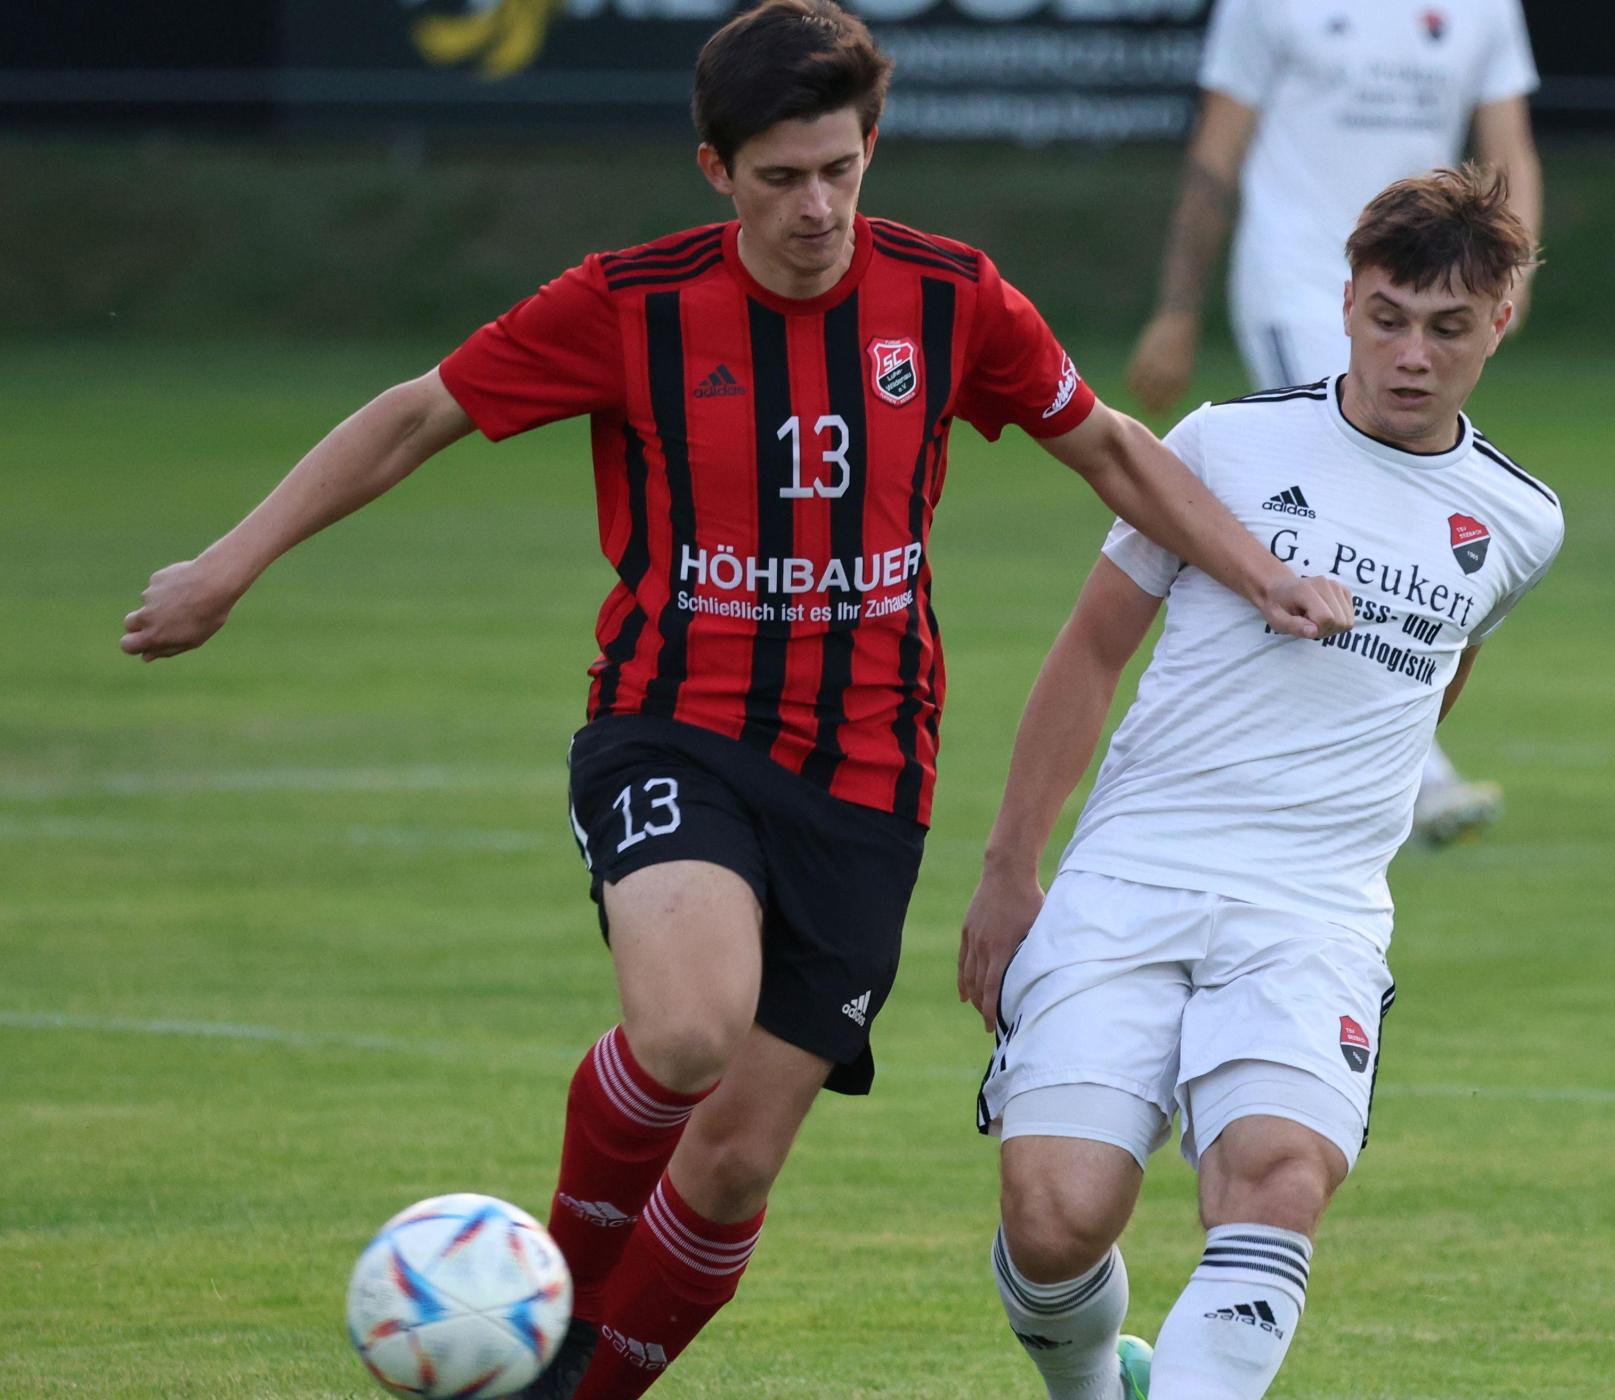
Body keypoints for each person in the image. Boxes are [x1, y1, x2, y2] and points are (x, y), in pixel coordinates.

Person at [118, 3, 1355, 1396]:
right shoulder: (627, 303)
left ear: (870, 146)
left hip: (870, 775)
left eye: (838, 168)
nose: (816, 206)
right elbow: (418, 414)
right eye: (779, 178)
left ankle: (567, 1385)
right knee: (691, 1027)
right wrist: (227, 568)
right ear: (716, 172)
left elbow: (1112, 451)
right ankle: (558, 1291)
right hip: (672, 724)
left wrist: (1259, 575)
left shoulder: (948, 297)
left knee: (732, 1166)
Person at [964, 167, 1562, 1399]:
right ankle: (1090, 1384)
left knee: (1278, 1173)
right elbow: (1089, 648)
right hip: (1136, 870)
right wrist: (1008, 869)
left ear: (1498, 321)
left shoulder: (1518, 521)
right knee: (1054, 1216)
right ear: (1344, 301)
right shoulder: (1222, 445)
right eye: (1387, 316)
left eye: (1447, 327)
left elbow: (1431, 684)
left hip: (1314, 908)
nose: (1411, 354)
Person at [1126, 0, 1545, 846]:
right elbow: (1216, 153)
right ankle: (1413, 773)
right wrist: (1177, 310)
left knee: (1385, 513)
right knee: (1336, 488)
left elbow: (1510, 147)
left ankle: (1371, 747)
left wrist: (1514, 272)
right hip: (1297, 277)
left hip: (1428, 299)